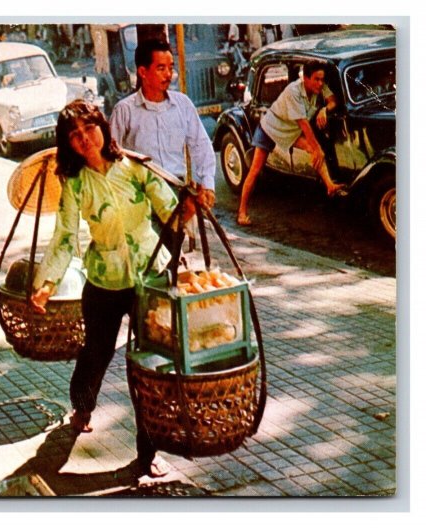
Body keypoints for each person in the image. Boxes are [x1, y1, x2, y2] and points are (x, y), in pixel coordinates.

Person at [29, 100, 194, 477]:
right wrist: (46, 283)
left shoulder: (135, 167)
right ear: (67, 143)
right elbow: (65, 237)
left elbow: (170, 210)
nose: (84, 138)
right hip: (103, 281)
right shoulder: (73, 184)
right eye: (74, 135)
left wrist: (190, 206)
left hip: (149, 280)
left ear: (102, 127)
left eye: (89, 128)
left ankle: (148, 452)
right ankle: (83, 406)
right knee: (96, 355)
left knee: (148, 368)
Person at [110, 39, 217, 211]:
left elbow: (202, 146)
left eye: (170, 67)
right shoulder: (124, 110)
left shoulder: (183, 104)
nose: (169, 74)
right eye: (161, 68)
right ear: (143, 72)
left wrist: (208, 185)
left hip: (177, 193)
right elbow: (111, 160)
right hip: (139, 198)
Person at [236, 62, 346, 226]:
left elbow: (332, 100)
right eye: (316, 79)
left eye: (322, 80)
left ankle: (329, 185)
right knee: (255, 170)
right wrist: (317, 149)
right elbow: (304, 124)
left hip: (291, 131)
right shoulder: (293, 91)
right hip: (271, 128)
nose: (320, 83)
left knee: (314, 150)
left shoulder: (318, 86)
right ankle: (241, 212)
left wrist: (325, 110)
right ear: (306, 78)